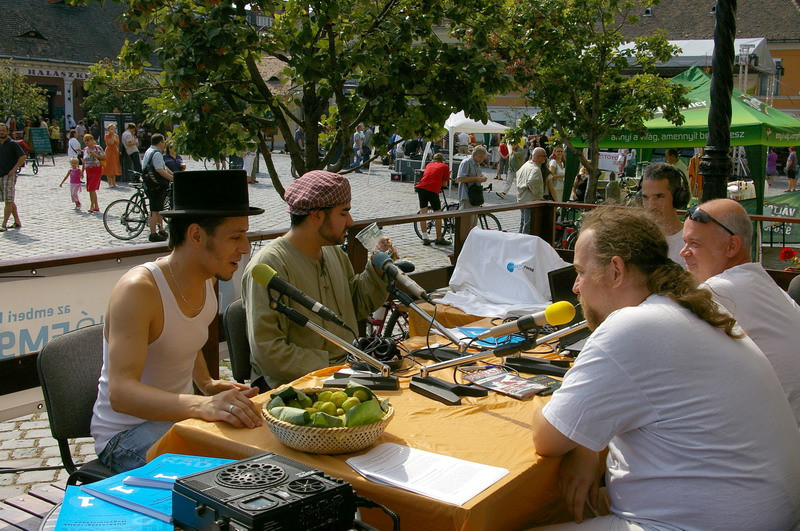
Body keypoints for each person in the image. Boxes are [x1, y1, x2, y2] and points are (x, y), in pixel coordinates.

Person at [532, 205, 800, 530]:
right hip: (767, 513)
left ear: (616, 270)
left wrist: (536, 399)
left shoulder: (632, 326)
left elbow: (547, 439)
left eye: (581, 272)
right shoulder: (694, 308)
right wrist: (587, 443)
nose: (576, 286)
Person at [90, 170, 265, 473]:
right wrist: (201, 405)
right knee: (223, 479)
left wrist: (206, 383)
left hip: (179, 421)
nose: (246, 247)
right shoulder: (139, 289)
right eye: (236, 236)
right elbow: (120, 393)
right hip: (125, 435)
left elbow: (186, 337)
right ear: (196, 235)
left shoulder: (208, 279)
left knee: (262, 449)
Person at [241, 170, 388, 389]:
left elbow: (354, 306)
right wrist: (331, 364)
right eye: (343, 212)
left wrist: (376, 272)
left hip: (344, 373)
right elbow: (269, 351)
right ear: (317, 215)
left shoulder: (333, 252)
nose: (350, 221)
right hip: (293, 387)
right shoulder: (270, 265)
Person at [680, 198, 800, 426]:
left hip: (773, 439)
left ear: (731, 247)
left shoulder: (718, 291)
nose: (683, 253)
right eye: (685, 243)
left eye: (694, 244)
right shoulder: (764, 285)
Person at [639, 162, 688, 267]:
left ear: (677, 198)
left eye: (659, 196)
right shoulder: (637, 239)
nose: (651, 206)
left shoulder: (691, 242)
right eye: (645, 197)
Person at [141, 134, 173, 242]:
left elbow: (164, 166)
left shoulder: (149, 151)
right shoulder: (157, 154)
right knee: (154, 210)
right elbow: (160, 170)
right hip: (156, 186)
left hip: (150, 184)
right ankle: (153, 234)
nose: (164, 144)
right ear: (160, 142)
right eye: (163, 142)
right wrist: (172, 179)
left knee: (159, 209)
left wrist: (174, 175)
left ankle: (161, 230)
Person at [414, 153, 451, 246]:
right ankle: (439, 238)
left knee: (423, 214)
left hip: (421, 188)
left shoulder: (429, 165)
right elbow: (444, 185)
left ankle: (425, 237)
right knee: (438, 214)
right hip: (432, 190)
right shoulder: (445, 166)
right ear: (442, 160)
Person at [0, 123, 26, 231]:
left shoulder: (12, 144)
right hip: (0, 175)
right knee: (9, 199)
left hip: (8, 175)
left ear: (7, 132)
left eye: (3, 130)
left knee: (8, 200)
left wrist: (13, 170)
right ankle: (17, 221)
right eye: (0, 130)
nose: (1, 132)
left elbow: (23, 157)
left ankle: (4, 224)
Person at [516, 147, 548, 233]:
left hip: (522, 198)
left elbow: (518, 174)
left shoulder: (526, 164)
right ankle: (524, 242)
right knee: (528, 224)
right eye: (544, 156)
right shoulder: (535, 169)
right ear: (537, 157)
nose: (545, 158)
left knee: (523, 222)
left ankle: (520, 238)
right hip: (530, 200)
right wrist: (537, 195)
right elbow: (531, 182)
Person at [455, 145, 488, 229]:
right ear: (475, 154)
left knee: (473, 224)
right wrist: (477, 178)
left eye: (483, 157)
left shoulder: (477, 164)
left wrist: (482, 177)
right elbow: (460, 178)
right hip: (466, 195)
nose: (481, 159)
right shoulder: (466, 162)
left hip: (475, 196)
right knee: (466, 223)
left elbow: (478, 175)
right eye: (480, 157)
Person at [82, 134, 106, 213]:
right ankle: (96, 206)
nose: (87, 142)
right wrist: (82, 171)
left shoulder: (97, 148)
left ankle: (92, 205)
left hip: (96, 169)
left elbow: (104, 157)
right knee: (90, 189)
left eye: (88, 140)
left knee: (92, 188)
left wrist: (95, 155)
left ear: (92, 140)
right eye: (85, 140)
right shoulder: (85, 149)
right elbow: (84, 161)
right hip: (88, 170)